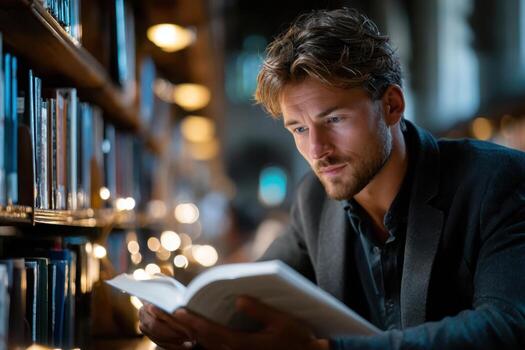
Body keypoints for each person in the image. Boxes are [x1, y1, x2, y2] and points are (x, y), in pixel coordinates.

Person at [138, 7, 525, 349]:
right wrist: (187, 324)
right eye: (299, 129)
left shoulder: (497, 180)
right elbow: (246, 303)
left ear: (391, 105)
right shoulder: (313, 202)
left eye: (334, 120)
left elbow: (506, 328)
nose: (317, 149)